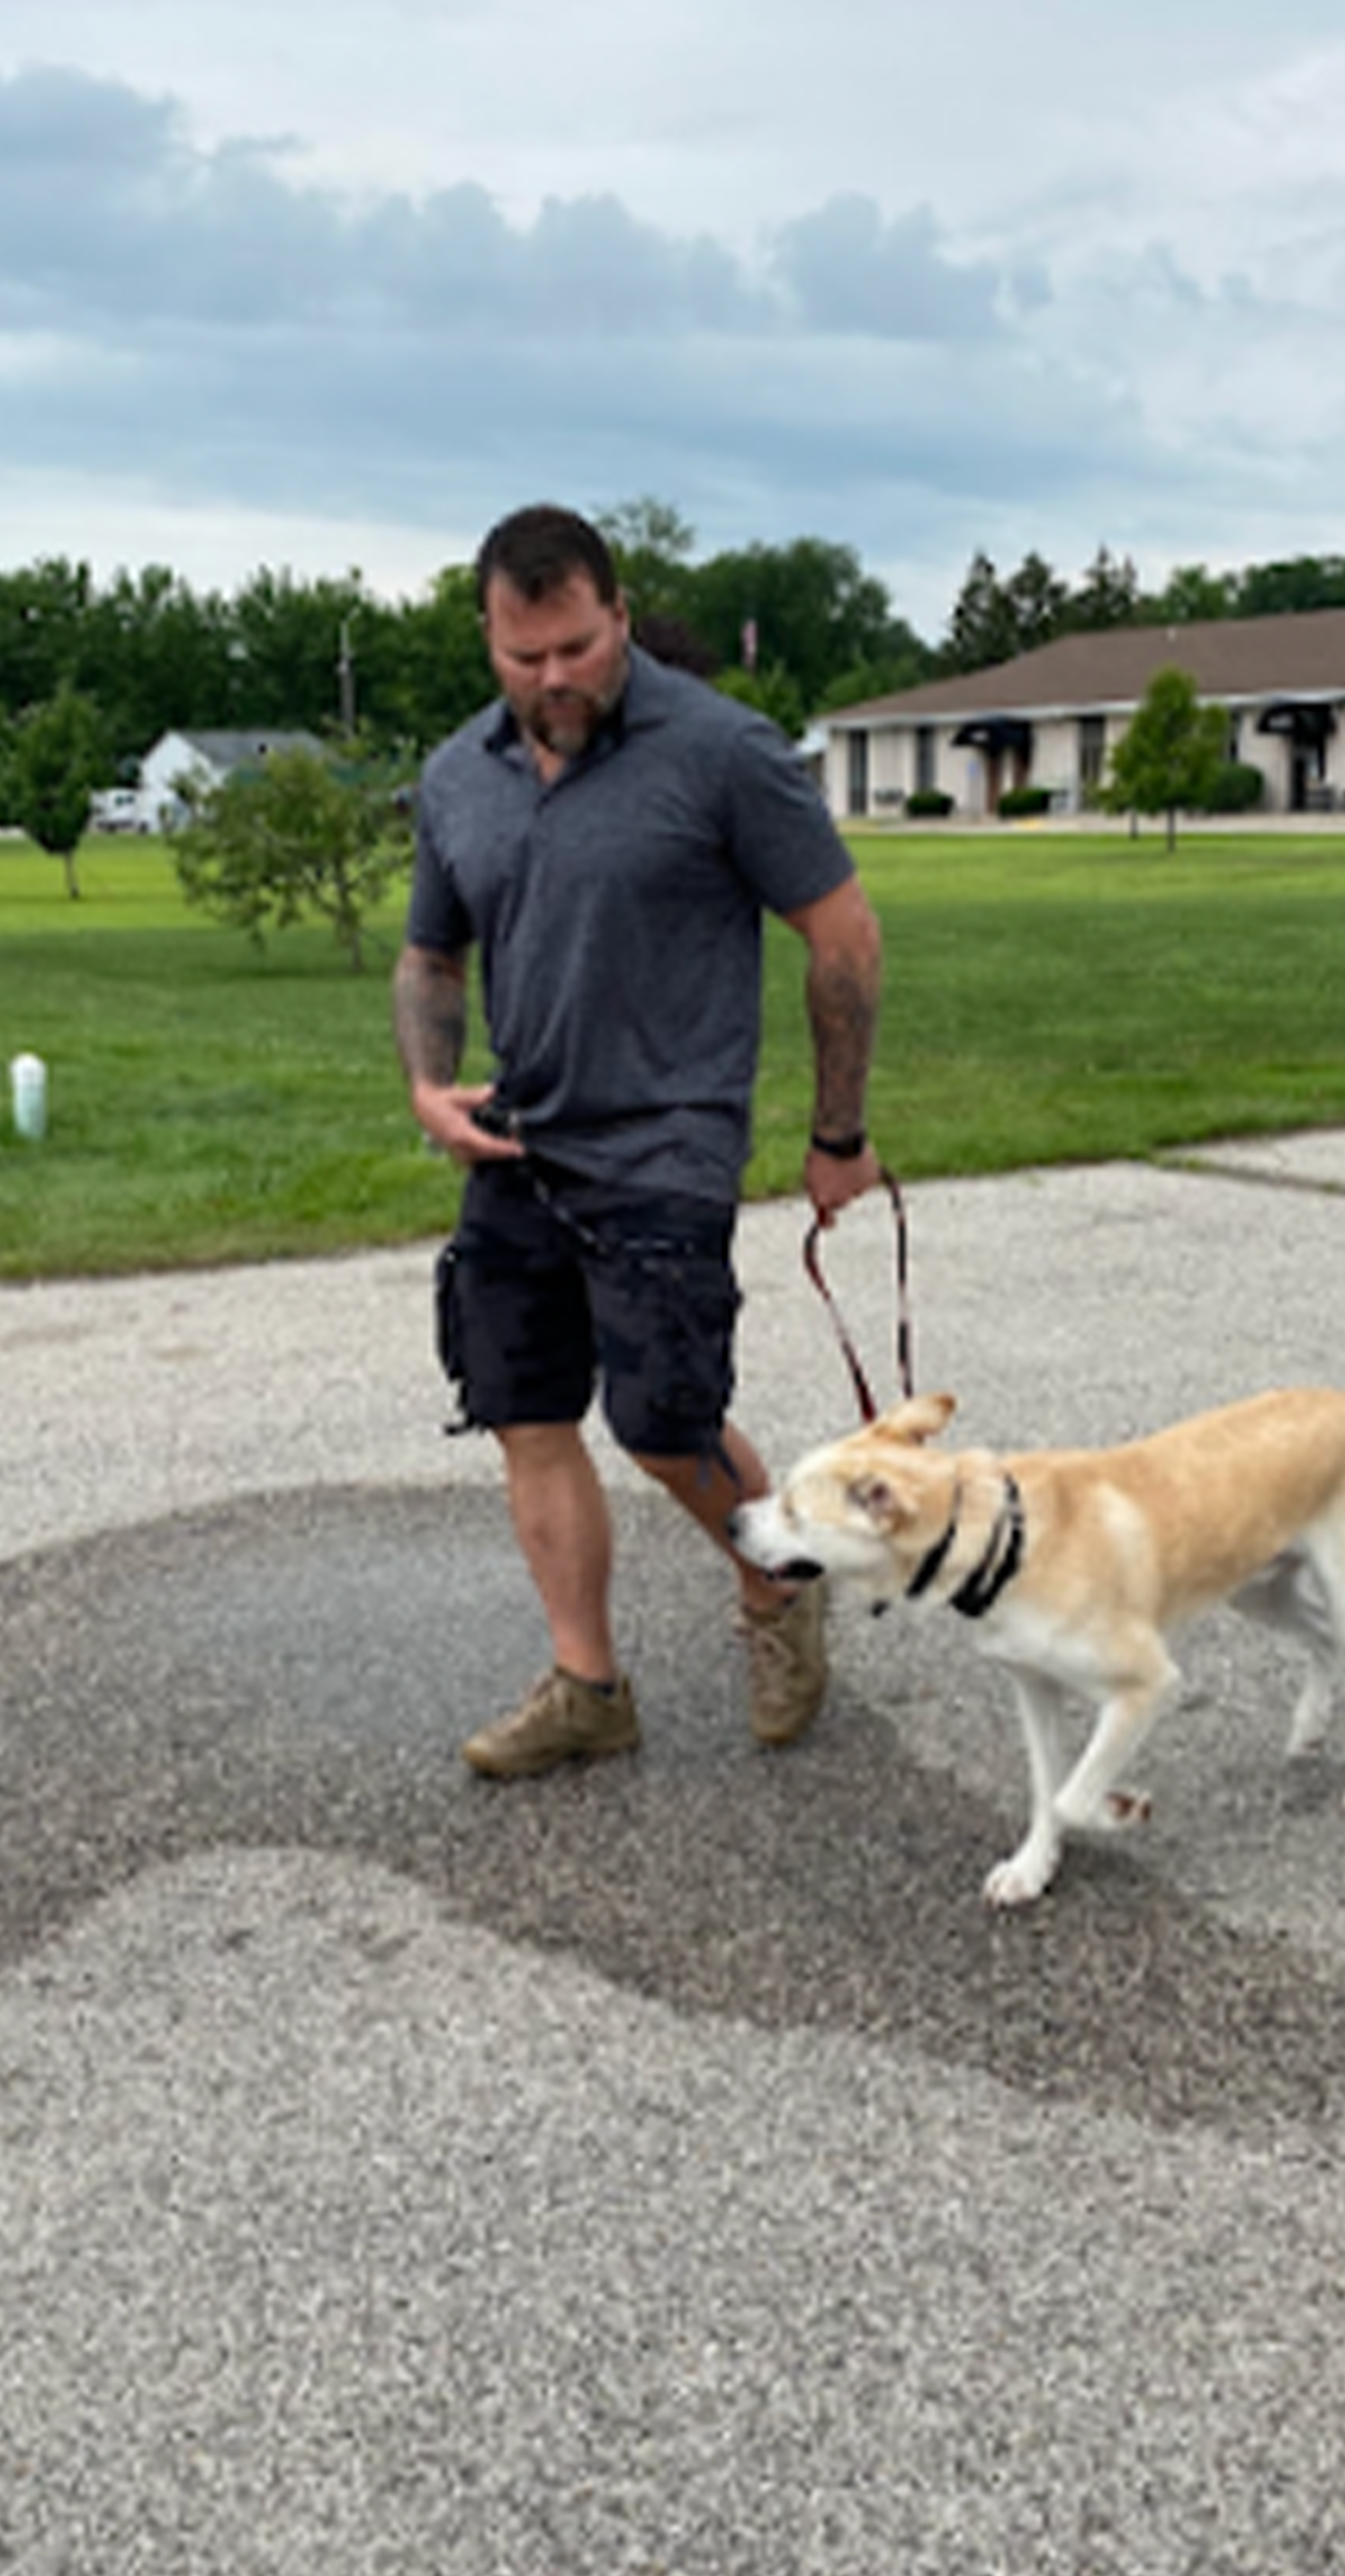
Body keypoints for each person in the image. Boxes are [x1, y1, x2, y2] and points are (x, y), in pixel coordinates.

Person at [393, 503, 882, 1778]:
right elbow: (429, 953)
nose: (552, 678)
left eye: (573, 647)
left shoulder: (722, 753)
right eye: (523, 655)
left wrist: (838, 1134)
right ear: (488, 641)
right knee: (522, 1410)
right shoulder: (458, 775)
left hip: (666, 1144)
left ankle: (779, 1586)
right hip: (516, 1142)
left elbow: (841, 937)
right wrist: (429, 1083)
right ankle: (587, 1687)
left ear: (616, 614)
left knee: (664, 1420)